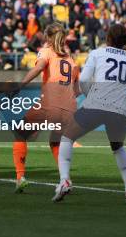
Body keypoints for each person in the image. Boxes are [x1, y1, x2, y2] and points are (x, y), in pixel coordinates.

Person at [53, 24, 126, 204]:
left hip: (96, 105)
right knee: (118, 147)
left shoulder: (96, 53)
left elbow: (84, 80)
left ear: (108, 38)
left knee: (66, 137)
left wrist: (90, 96)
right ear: (125, 42)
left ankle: (65, 180)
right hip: (120, 111)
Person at [11, 22, 79, 193]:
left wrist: (20, 85)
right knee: (55, 142)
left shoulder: (46, 51)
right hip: (70, 108)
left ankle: (20, 178)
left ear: (48, 37)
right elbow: (77, 90)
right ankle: (65, 180)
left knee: (20, 133)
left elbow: (39, 67)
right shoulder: (71, 60)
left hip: (50, 103)